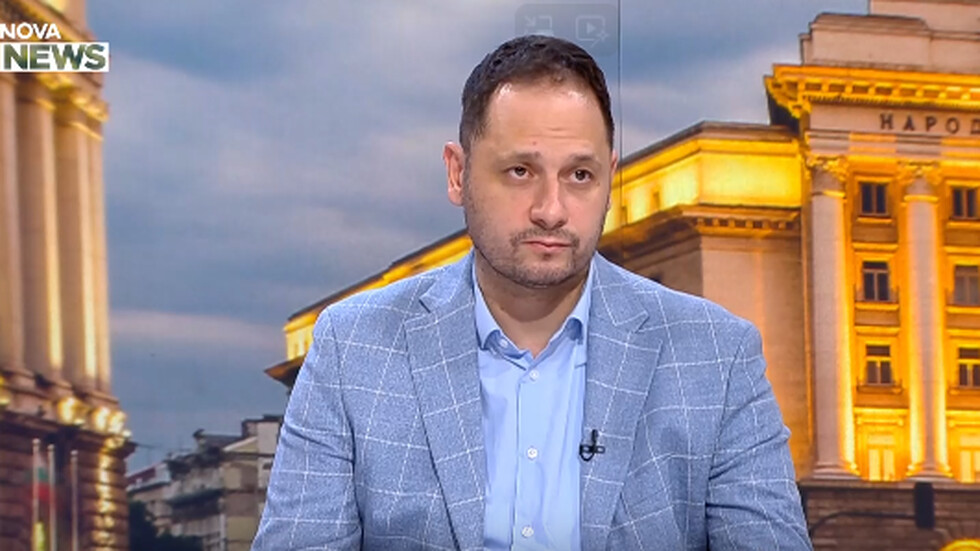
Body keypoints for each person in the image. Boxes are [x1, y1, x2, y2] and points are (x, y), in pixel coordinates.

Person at [252, 35, 812, 551]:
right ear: (458, 174)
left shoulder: (717, 355)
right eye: (520, 171)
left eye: (580, 175)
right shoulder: (352, 349)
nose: (551, 209)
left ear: (610, 179)